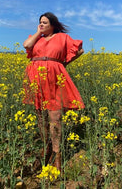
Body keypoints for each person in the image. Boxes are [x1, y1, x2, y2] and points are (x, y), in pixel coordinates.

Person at [23, 12, 85, 171]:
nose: (41, 25)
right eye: (40, 23)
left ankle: (57, 154)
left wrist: (62, 63)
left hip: (55, 78)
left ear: (53, 24)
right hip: (37, 78)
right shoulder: (37, 38)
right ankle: (46, 147)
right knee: (41, 117)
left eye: (44, 23)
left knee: (55, 117)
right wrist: (38, 32)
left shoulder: (62, 38)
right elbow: (27, 45)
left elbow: (80, 50)